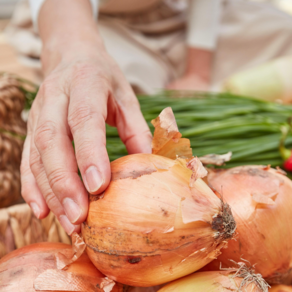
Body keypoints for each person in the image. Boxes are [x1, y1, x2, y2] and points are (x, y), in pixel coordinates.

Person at [20, 0, 292, 235]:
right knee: (113, 92)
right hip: (90, 22)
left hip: (179, 12)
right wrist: (76, 54)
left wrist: (198, 70)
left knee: (284, 32)